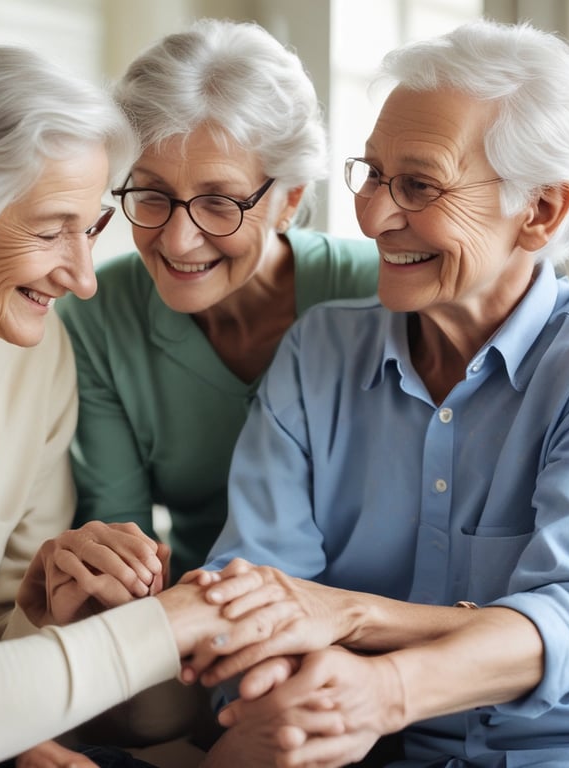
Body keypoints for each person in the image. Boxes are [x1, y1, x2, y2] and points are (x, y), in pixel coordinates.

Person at [0, 45, 290, 768]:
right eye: (49, 230)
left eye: (92, 228)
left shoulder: (29, 351)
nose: (83, 278)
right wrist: (185, 615)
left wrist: (44, 610)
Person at [196, 18, 569, 768]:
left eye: (418, 184)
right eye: (370, 174)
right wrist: (275, 680)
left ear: (539, 212)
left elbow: (567, 618)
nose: (372, 217)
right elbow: (253, 588)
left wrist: (356, 634)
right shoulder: (320, 351)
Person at [56, 17, 379, 586]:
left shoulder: (376, 295)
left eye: (220, 202)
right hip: (205, 618)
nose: (178, 240)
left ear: (288, 200)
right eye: (152, 193)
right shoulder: (98, 319)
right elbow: (121, 544)